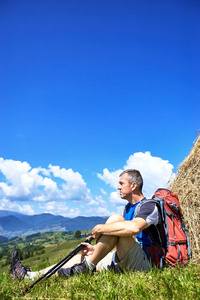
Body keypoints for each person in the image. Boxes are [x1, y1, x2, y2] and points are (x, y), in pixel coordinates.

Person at [10, 169, 162, 280]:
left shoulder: (149, 206)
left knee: (115, 220)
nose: (118, 187)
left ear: (134, 185)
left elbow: (135, 228)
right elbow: (119, 240)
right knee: (80, 258)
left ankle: (87, 268)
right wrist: (96, 249)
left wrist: (101, 228)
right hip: (127, 256)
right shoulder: (128, 208)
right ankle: (29, 276)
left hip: (144, 262)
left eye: (121, 183)